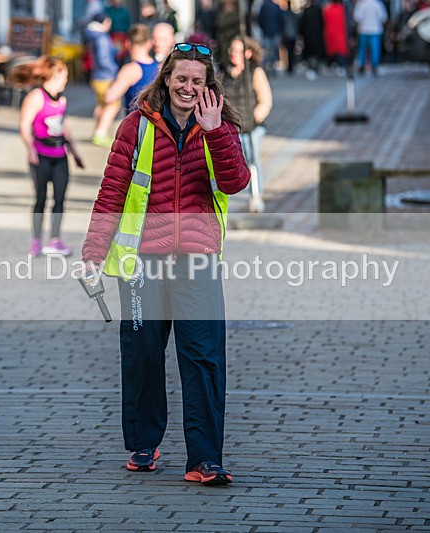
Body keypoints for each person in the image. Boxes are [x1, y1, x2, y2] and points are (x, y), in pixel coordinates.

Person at [82, 43, 250, 486]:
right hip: (142, 264)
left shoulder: (221, 127)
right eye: (181, 78)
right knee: (141, 355)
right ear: (166, 79)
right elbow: (112, 191)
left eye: (197, 80)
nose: (188, 87)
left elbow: (236, 183)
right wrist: (93, 254)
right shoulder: (136, 126)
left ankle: (204, 459)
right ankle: (143, 441)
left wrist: (214, 132)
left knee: (203, 358)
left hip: (197, 262)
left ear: (208, 86)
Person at [17, 57, 84, 257]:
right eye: (64, 76)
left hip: (59, 155)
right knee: (40, 199)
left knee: (60, 199)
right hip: (41, 156)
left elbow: (62, 126)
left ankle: (55, 240)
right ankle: (36, 241)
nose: (66, 80)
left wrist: (75, 152)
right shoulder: (36, 97)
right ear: (55, 74)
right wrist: (30, 149)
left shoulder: (61, 99)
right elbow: (24, 124)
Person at [224, 36, 272, 206]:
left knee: (252, 159)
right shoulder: (224, 73)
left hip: (251, 126)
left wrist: (255, 117)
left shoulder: (255, 72)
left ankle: (256, 195)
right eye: (232, 51)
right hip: (231, 127)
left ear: (249, 53)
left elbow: (265, 99)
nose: (234, 55)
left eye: (239, 51)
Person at [103, 24, 159, 116]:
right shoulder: (158, 67)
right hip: (154, 125)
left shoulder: (130, 70)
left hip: (135, 126)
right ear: (149, 43)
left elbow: (109, 97)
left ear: (127, 43)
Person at [85, 14, 120, 147]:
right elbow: (103, 58)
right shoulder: (102, 37)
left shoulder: (94, 35)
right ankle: (101, 133)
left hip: (97, 76)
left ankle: (97, 132)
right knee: (112, 105)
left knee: (101, 105)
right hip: (106, 76)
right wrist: (115, 69)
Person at [353, 0, 388, 75]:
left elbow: (357, 17)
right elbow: (383, 17)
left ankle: (362, 65)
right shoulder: (378, 4)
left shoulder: (361, 4)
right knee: (375, 49)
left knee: (362, 49)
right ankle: (374, 66)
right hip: (375, 30)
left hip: (363, 30)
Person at [299, 0, 325, 80]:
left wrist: (302, 34)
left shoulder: (306, 11)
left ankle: (312, 68)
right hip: (316, 35)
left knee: (310, 53)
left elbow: (302, 24)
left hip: (309, 35)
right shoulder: (318, 10)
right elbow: (322, 23)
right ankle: (315, 67)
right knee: (315, 52)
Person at [323, 0, 349, 74]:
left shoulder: (327, 9)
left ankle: (331, 64)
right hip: (340, 33)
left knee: (332, 50)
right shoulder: (342, 9)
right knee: (340, 50)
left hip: (330, 33)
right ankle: (341, 65)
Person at [258, 0, 284, 72]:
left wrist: (263, 28)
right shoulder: (276, 6)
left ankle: (267, 66)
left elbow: (260, 18)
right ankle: (273, 66)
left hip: (266, 31)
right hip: (275, 31)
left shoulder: (264, 7)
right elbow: (281, 19)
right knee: (274, 49)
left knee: (267, 50)